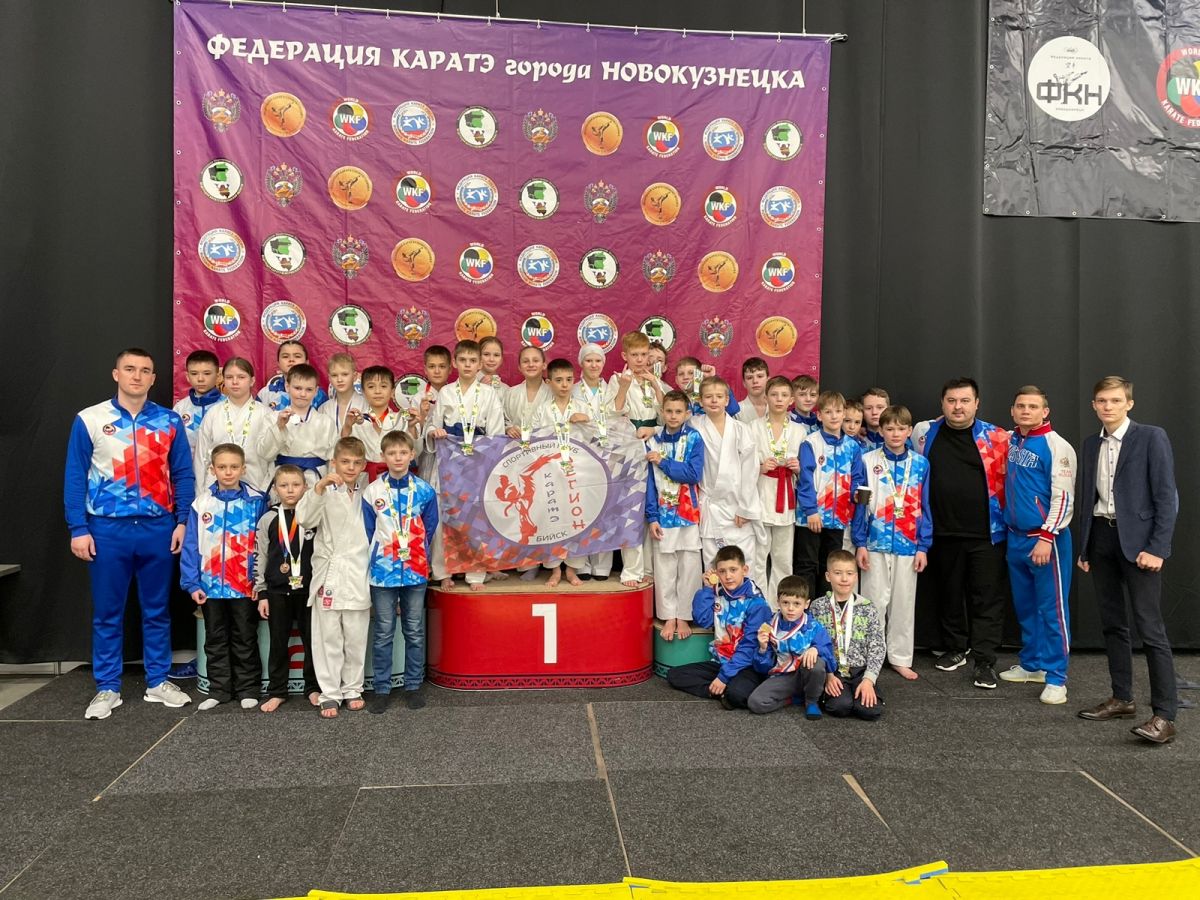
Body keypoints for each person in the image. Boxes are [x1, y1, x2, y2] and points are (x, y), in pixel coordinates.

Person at [66, 348, 195, 719]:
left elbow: (183, 473)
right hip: (107, 530)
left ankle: (158, 681)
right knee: (108, 613)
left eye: (144, 370)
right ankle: (107, 687)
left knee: (157, 610)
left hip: (158, 528)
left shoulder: (170, 421)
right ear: (116, 374)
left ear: (153, 378)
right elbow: (75, 476)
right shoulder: (90, 419)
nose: (137, 376)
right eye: (129, 369)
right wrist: (78, 528)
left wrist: (182, 521)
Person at [1076, 376, 1179, 744]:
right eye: (1102, 400)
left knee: (1150, 630)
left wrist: (1158, 548)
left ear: (1129, 404)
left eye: (1115, 400)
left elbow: (1166, 497)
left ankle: (1165, 715)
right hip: (1102, 539)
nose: (1108, 406)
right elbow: (1087, 498)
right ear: (1094, 405)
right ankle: (1122, 699)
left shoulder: (1151, 437)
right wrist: (1085, 547)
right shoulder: (1091, 444)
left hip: (1140, 545)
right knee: (1113, 625)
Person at [918, 377, 1010, 691]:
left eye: (965, 400)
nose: (958, 407)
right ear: (942, 404)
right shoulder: (925, 433)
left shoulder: (997, 437)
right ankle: (956, 647)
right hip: (941, 532)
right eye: (952, 401)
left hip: (987, 534)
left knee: (986, 599)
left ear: (977, 403)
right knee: (949, 594)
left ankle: (984, 661)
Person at [999, 386, 1076, 705]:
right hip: (1016, 537)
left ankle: (1057, 677)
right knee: (1026, 607)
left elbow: (1064, 497)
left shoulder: (1057, 446)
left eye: (1033, 407)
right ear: (1013, 411)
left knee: (1052, 610)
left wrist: (1047, 536)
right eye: (1021, 406)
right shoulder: (1011, 440)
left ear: (1045, 412)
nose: (1026, 411)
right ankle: (1033, 665)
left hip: (1045, 540)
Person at [180, 443, 266, 710]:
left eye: (234, 467)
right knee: (215, 639)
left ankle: (248, 688)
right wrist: (191, 583)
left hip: (244, 585)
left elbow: (265, 544)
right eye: (222, 467)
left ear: (243, 468)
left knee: (245, 638)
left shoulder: (256, 501)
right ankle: (219, 690)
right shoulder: (201, 503)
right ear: (212, 469)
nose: (228, 472)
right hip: (210, 586)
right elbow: (191, 545)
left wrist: (260, 582)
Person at [852, 405, 932, 681]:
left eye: (901, 428)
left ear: (909, 431)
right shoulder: (867, 460)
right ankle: (866, 656)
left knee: (903, 604)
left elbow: (926, 506)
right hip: (875, 542)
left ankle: (899, 657)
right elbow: (861, 505)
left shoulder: (921, 464)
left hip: (909, 543)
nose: (895, 433)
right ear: (882, 430)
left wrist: (923, 546)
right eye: (889, 428)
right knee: (872, 602)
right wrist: (860, 542)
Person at [362, 430, 439, 714]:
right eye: (392, 453)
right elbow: (368, 530)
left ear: (411, 455)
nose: (397, 458)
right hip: (383, 571)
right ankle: (382, 688)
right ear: (383, 456)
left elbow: (430, 527)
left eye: (403, 453)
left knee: (414, 630)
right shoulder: (373, 492)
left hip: (415, 569)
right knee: (383, 631)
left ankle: (413, 685)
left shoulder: (424, 491)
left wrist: (416, 551)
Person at [296, 436, 371, 717]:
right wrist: (318, 488)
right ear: (334, 462)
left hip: (358, 571)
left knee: (355, 637)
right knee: (327, 638)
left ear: (363, 465)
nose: (350, 467)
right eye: (345, 462)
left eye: (356, 462)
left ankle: (352, 688)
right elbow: (305, 519)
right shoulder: (323, 492)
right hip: (329, 573)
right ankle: (330, 692)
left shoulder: (369, 494)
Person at [426, 339, 505, 590]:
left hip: (476, 462)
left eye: (473, 361)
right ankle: (443, 571)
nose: (468, 365)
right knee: (444, 517)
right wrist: (435, 432)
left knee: (475, 518)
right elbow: (432, 424)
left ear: (480, 364)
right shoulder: (446, 393)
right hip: (448, 460)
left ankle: (475, 574)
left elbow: (496, 433)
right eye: (463, 360)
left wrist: (485, 458)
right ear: (455, 363)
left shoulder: (489, 394)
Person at [665, 545, 771, 709]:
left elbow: (750, 647)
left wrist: (723, 677)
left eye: (733, 570)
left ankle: (726, 689)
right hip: (721, 662)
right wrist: (707, 589)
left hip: (747, 665)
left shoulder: (757, 604)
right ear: (716, 573)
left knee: (738, 694)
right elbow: (702, 620)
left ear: (744, 570)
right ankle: (721, 692)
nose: (728, 576)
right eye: (722, 571)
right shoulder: (718, 594)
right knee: (674, 675)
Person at [253, 464, 319, 712]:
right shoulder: (268, 519)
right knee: (278, 642)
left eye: (295, 485)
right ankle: (277, 691)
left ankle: (313, 687)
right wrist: (262, 592)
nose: (290, 490)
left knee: (312, 642)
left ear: (305, 487)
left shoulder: (313, 517)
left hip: (308, 591)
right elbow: (260, 556)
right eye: (283, 485)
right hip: (277, 591)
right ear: (275, 489)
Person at [609, 331, 669, 585]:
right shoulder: (617, 379)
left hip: (655, 443)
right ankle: (632, 570)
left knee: (654, 505)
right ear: (625, 355)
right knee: (631, 508)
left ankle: (651, 570)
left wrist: (655, 385)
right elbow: (613, 413)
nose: (640, 360)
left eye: (644, 354)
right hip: (629, 444)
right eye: (634, 355)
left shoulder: (656, 381)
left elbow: (668, 416)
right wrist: (624, 387)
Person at [795, 391, 867, 598]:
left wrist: (855, 494)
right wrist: (811, 511)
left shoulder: (853, 447)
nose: (834, 416)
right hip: (811, 518)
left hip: (838, 519)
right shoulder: (810, 443)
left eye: (838, 411)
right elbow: (805, 479)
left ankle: (827, 610)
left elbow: (857, 478)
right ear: (819, 415)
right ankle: (805, 610)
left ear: (844, 413)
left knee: (831, 568)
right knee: (807, 565)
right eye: (828, 412)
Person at [646, 390, 705, 641]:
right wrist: (652, 516)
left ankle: (684, 615)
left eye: (678, 411)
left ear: (687, 414)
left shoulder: (694, 438)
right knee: (664, 566)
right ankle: (668, 615)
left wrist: (663, 462)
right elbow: (648, 482)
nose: (673, 416)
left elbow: (693, 474)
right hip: (663, 513)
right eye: (669, 411)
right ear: (662, 412)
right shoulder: (652, 441)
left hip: (688, 512)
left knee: (689, 565)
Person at [689, 376, 762, 574]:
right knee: (713, 567)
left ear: (727, 400)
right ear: (700, 401)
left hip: (737, 506)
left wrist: (745, 508)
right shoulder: (694, 425)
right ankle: (714, 596)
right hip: (711, 506)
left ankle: (747, 595)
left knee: (744, 564)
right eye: (708, 397)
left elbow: (750, 471)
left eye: (719, 396)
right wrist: (651, 429)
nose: (714, 400)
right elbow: (671, 427)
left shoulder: (741, 429)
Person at [531, 358, 592, 587]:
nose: (564, 385)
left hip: (578, 471)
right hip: (550, 472)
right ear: (549, 383)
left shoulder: (583, 407)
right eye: (558, 380)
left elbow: (597, 437)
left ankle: (573, 569)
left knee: (577, 518)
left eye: (568, 380)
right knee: (553, 519)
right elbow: (534, 440)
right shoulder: (542, 410)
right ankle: (555, 569)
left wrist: (587, 420)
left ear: (574, 381)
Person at [810, 550, 886, 720]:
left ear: (856, 577)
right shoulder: (817, 607)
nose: (844, 579)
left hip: (860, 670)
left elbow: (878, 646)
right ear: (828, 576)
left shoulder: (867, 608)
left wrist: (869, 680)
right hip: (833, 670)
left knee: (870, 711)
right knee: (839, 707)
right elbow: (813, 643)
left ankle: (864, 688)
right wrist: (828, 675)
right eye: (838, 573)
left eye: (849, 573)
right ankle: (835, 693)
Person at [747, 576, 835, 718]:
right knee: (755, 703)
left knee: (817, 664)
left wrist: (816, 649)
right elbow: (762, 669)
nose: (790, 608)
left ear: (806, 604)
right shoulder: (769, 626)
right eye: (785, 602)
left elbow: (829, 656)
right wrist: (762, 649)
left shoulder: (813, 627)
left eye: (797, 603)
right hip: (783, 676)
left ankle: (812, 702)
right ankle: (794, 699)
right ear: (778, 602)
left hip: (806, 674)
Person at [750, 376, 805, 598]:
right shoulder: (753, 427)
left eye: (784, 395)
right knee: (758, 557)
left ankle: (781, 604)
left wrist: (799, 468)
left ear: (791, 399)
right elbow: (743, 464)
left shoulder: (800, 430)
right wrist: (759, 467)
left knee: (783, 559)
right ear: (766, 397)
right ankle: (759, 603)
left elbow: (807, 468)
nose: (779, 399)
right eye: (774, 395)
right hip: (761, 495)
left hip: (786, 498)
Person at [572, 343, 618, 580]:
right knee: (581, 507)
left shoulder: (612, 389)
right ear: (581, 363)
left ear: (603, 363)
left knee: (604, 509)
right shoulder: (572, 390)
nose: (593, 365)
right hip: (580, 455)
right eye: (589, 360)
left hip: (607, 454)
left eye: (598, 361)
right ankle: (581, 562)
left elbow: (620, 418)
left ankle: (602, 564)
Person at [194, 357, 270, 492]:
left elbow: (272, 458)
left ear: (252, 380)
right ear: (223, 380)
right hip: (216, 490)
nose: (235, 382)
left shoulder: (266, 414)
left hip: (256, 487)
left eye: (241, 377)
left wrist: (266, 492)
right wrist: (200, 494)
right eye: (229, 377)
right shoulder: (214, 413)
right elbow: (201, 457)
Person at [257, 363, 337, 487]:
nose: (303, 394)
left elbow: (333, 459)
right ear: (287, 386)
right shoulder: (273, 418)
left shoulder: (326, 422)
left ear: (316, 391)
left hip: (315, 481)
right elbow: (265, 454)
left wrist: (330, 485)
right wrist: (279, 427)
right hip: (283, 480)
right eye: (298, 388)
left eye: (309, 389)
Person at [343, 366, 412, 482]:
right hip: (364, 479)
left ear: (392, 392)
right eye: (371, 387)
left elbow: (416, 452)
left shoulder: (402, 419)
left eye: (383, 386)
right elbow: (343, 451)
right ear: (363, 392)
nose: (377, 391)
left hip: (397, 477)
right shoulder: (355, 419)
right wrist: (347, 427)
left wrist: (413, 426)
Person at [173, 349, 222, 452]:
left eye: (207, 373)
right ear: (187, 377)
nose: (200, 379)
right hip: (189, 462)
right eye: (194, 373)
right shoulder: (180, 408)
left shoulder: (227, 405)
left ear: (218, 376)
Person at [257, 340, 328, 411]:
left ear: (306, 362)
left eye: (297, 356)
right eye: (285, 356)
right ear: (278, 363)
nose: (291, 360)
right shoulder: (266, 393)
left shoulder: (318, 395)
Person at [504, 345, 552, 443]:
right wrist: (508, 428)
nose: (531, 364)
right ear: (520, 367)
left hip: (544, 446)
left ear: (544, 365)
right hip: (514, 447)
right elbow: (503, 420)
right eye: (525, 361)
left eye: (536, 360)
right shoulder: (511, 393)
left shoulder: (553, 394)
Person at [320, 351, 368, 435]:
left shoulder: (366, 405)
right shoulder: (324, 408)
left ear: (354, 376)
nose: (339, 380)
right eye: (334, 375)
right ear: (329, 378)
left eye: (345, 374)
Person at [675, 356, 740, 417]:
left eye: (691, 373)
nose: (685, 377)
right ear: (676, 380)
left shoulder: (710, 398)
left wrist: (713, 378)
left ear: (700, 376)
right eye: (681, 374)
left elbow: (733, 410)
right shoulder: (674, 401)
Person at [734, 357, 769, 423]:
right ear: (744, 383)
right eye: (749, 378)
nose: (755, 381)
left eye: (760, 376)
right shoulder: (737, 411)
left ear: (768, 380)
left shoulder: (777, 407)